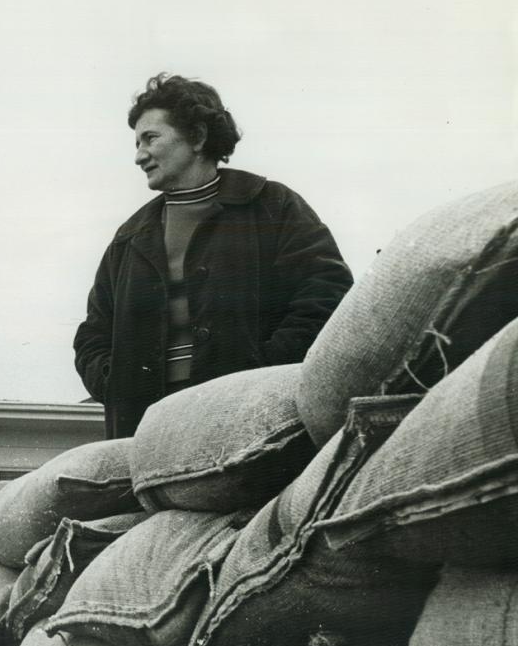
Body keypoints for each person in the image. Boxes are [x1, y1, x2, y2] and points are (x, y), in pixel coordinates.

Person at [73, 73, 353, 438]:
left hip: (255, 420)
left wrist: (262, 368)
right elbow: (93, 336)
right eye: (137, 142)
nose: (139, 155)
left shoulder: (272, 205)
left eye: (150, 138)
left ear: (198, 136)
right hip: (146, 432)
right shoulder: (129, 238)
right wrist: (118, 383)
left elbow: (326, 295)